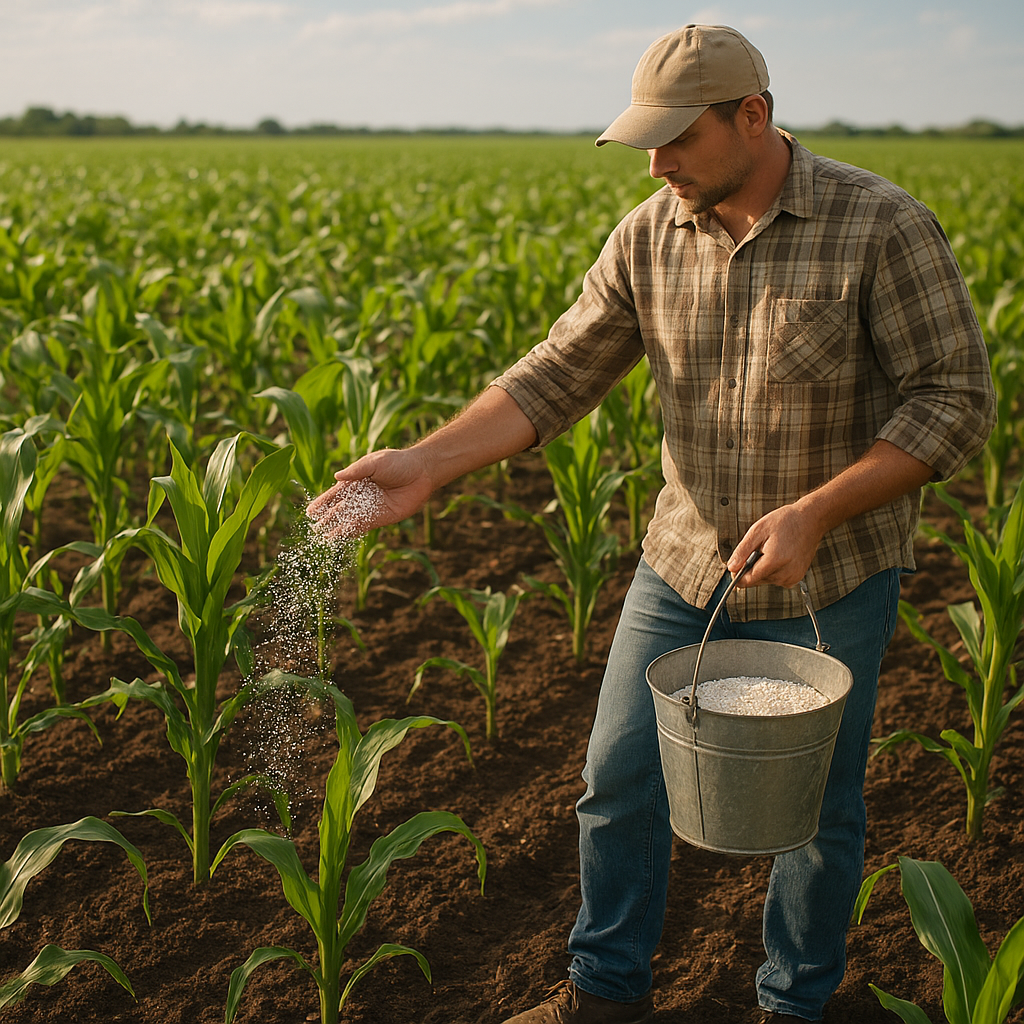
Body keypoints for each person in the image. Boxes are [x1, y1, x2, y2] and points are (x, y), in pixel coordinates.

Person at [306, 24, 995, 1024]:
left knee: (814, 814)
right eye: (645, 141)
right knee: (619, 780)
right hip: (682, 567)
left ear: (750, 117)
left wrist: (814, 511)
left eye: (677, 138)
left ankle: (793, 1004)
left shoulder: (878, 226)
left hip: (832, 572)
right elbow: (555, 373)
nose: (656, 161)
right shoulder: (648, 233)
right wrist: (424, 464)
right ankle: (603, 994)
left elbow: (954, 399)